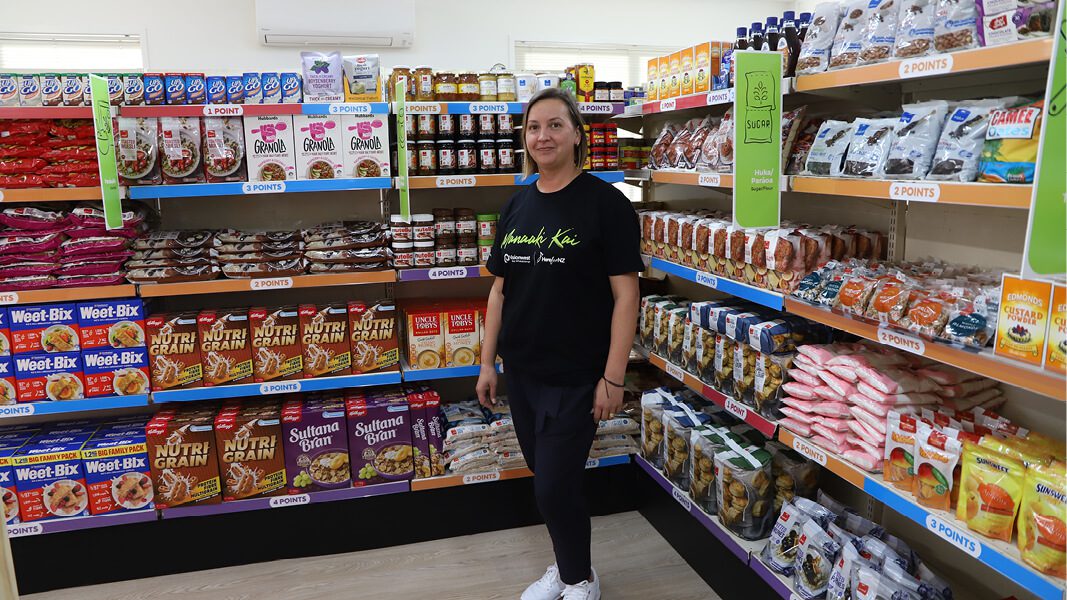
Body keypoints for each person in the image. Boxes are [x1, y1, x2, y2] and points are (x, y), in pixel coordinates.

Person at [476, 87, 643, 600]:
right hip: (523, 372)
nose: (542, 136)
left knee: (552, 486)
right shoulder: (517, 204)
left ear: (577, 135)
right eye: (533, 127)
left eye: (554, 125)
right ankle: (570, 565)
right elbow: (499, 290)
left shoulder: (606, 204)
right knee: (547, 479)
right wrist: (487, 363)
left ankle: (579, 580)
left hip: (576, 375)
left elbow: (626, 296)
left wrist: (613, 376)